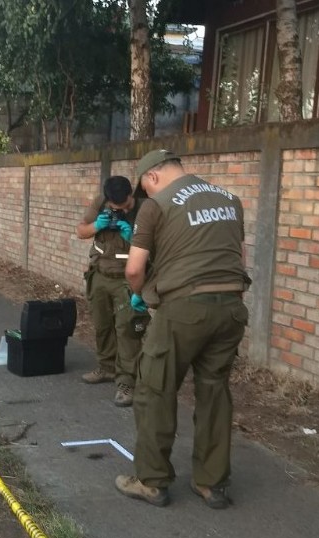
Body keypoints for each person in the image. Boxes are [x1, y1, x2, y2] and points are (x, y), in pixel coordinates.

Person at [115, 149, 251, 510]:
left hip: (184, 311)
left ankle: (152, 481)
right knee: (214, 392)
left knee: (154, 390)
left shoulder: (156, 206)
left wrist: (141, 296)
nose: (147, 193)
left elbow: (133, 269)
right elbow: (239, 259)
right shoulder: (229, 199)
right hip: (232, 309)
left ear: (153, 177)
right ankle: (212, 483)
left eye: (146, 186)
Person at [76, 175, 146, 407]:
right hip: (100, 275)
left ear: (130, 196)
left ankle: (126, 382)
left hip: (127, 279)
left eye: (124, 206)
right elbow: (81, 231)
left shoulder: (145, 209)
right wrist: (97, 225)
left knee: (127, 331)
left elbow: (157, 247)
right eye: (114, 208)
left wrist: (132, 237)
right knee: (102, 325)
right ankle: (106, 367)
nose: (119, 211)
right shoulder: (101, 203)